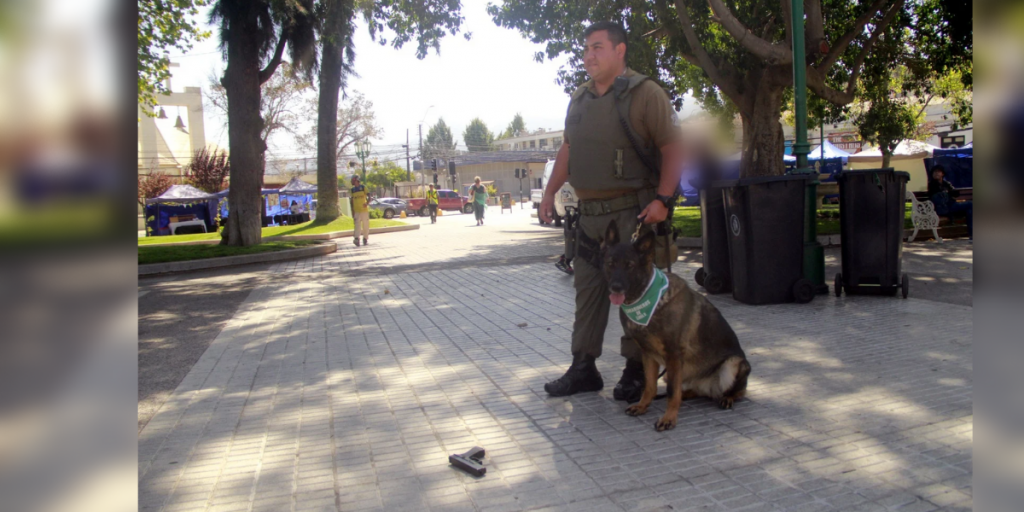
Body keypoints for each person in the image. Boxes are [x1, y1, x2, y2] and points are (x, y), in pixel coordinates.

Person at [539, 21, 683, 402]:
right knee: (587, 290)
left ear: (620, 51)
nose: (588, 55)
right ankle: (583, 367)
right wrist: (549, 192)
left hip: (631, 214)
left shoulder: (645, 93)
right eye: (586, 48)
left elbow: (673, 148)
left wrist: (663, 200)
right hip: (589, 218)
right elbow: (568, 150)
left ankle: (636, 370)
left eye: (598, 47)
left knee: (633, 295)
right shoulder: (580, 99)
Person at [928, 165, 972, 240]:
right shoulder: (932, 184)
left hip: (951, 206)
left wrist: (952, 191)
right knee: (971, 204)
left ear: (942, 174)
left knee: (970, 210)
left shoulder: (946, 184)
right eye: (934, 172)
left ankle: (972, 235)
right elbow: (939, 196)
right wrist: (948, 193)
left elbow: (955, 193)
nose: (936, 173)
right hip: (944, 208)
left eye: (938, 172)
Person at [350, 175, 370, 246]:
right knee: (357, 225)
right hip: (357, 210)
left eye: (353, 180)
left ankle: (365, 238)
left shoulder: (363, 187)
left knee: (365, 225)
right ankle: (356, 239)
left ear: (356, 180)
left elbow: (369, 196)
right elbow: (351, 201)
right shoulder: (352, 190)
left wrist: (366, 203)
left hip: (364, 210)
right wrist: (352, 211)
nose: (352, 181)